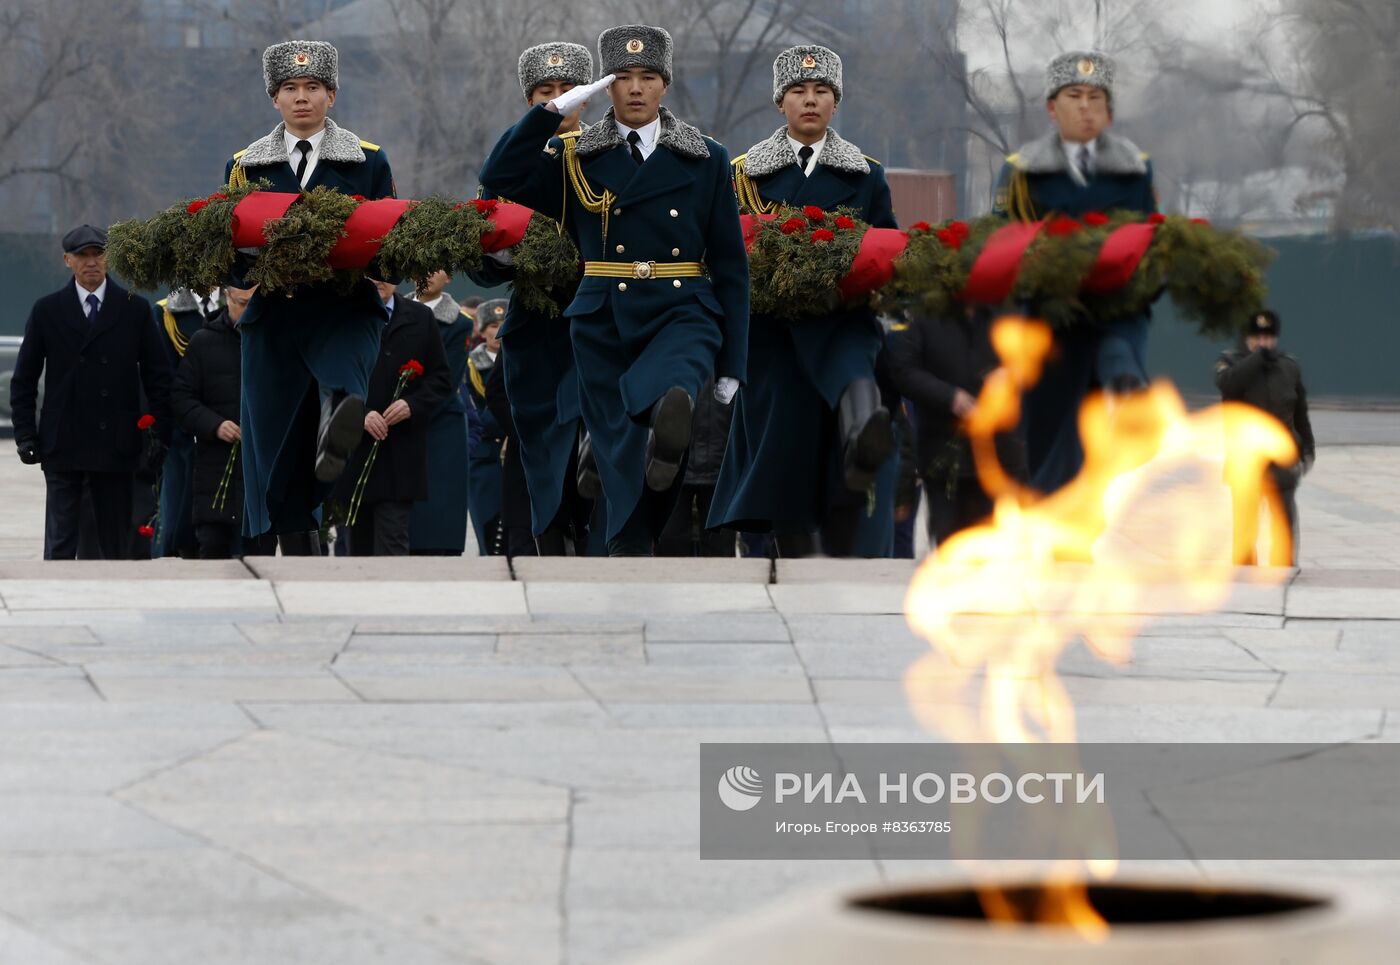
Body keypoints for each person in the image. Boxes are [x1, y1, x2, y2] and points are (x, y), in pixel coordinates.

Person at [479, 24, 749, 556]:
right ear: (607, 87)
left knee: (674, 392)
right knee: (621, 449)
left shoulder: (707, 157)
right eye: (622, 78)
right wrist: (548, 116)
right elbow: (501, 178)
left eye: (648, 77)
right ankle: (631, 542)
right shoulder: (575, 155)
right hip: (603, 315)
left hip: (682, 306)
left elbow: (730, 264)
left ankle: (669, 412)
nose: (635, 89)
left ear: (664, 85)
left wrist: (733, 363)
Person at [710, 45, 897, 558]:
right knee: (785, 447)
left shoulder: (866, 174)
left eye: (821, 92)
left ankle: (863, 433)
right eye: (798, 91)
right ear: (780, 103)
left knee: (854, 366)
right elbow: (726, 251)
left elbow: (886, 248)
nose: (810, 101)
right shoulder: (744, 173)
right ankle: (797, 552)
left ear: (835, 103)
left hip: (841, 314)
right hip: (775, 331)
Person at [224, 40, 396, 555]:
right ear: (274, 99)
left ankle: (338, 412)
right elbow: (231, 259)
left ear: (332, 95)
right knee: (274, 448)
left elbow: (387, 243)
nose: (302, 98)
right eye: (290, 89)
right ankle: (297, 553)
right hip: (276, 314)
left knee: (343, 381)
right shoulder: (245, 167)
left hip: (341, 307)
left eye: (313, 88)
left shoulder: (368, 161)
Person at [993, 51, 1157, 492]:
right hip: (1048, 319)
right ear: (1052, 108)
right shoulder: (1022, 173)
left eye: (1096, 97)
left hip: (1111, 308)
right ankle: (1057, 527)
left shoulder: (1134, 169)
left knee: (1120, 338)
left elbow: (1149, 242)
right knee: (1053, 442)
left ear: (1109, 110)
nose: (1086, 106)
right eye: (1074, 96)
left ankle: (1126, 386)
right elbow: (1001, 249)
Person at [475, 41, 596, 556]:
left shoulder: (609, 151)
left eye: (569, 92)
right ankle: (550, 535)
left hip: (596, 318)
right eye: (546, 94)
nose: (560, 101)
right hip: (537, 322)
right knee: (541, 445)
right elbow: (493, 187)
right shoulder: (520, 161)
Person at [10, 225, 172, 560]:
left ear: (109, 258)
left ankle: (115, 603)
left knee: (115, 544)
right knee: (60, 542)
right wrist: (26, 435)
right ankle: (56, 604)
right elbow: (24, 380)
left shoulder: (134, 310)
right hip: (62, 443)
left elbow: (159, 379)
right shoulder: (47, 310)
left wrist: (160, 436)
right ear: (67, 260)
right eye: (82, 255)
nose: (91, 262)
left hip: (117, 442)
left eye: (97, 253)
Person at [890, 305, 1028, 548]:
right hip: (942, 456)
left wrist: (1009, 377)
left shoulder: (1008, 310)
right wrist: (950, 397)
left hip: (998, 457)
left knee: (992, 548)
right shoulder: (927, 315)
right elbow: (904, 370)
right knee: (949, 546)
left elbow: (1035, 355)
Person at [333, 280, 451, 556]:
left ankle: (394, 598)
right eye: (371, 273)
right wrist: (358, 413)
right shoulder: (343, 317)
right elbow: (326, 381)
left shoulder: (420, 317)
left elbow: (441, 379)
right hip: (354, 453)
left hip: (400, 454)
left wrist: (413, 404)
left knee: (393, 543)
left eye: (386, 274)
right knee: (357, 547)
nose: (378, 281)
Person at [170, 285, 277, 559]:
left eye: (253, 303)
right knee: (213, 556)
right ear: (227, 297)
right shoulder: (204, 341)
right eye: (242, 303)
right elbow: (182, 399)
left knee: (260, 558)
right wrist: (215, 425)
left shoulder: (275, 339)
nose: (248, 310)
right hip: (215, 476)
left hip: (261, 476)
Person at [1216, 310, 1315, 566]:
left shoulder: (1288, 367)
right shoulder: (1231, 363)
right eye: (1258, 337)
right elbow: (1227, 385)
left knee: (1283, 521)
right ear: (1247, 338)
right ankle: (1246, 575)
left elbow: (1300, 411)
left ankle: (1283, 569)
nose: (1263, 342)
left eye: (1268, 338)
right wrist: (1257, 358)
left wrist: (1307, 448)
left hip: (1281, 459)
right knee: (1246, 524)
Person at [151, 287, 222, 559]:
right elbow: (162, 375)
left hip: (228, 424)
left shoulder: (238, 300)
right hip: (183, 431)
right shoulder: (165, 311)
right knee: (177, 512)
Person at [406, 271, 472, 555]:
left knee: (438, 513)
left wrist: (409, 407)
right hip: (395, 420)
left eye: (438, 268)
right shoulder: (392, 313)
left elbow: (447, 380)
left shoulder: (458, 323)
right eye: (422, 267)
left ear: (450, 277)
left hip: (439, 422)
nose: (428, 274)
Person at [657, 377, 736, 557]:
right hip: (674, 464)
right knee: (670, 546)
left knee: (720, 556)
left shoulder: (733, 353)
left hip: (722, 468)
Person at [465, 299, 507, 555]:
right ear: (481, 330)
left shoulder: (523, 360)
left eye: (504, 324)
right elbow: (475, 418)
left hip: (517, 458)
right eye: (492, 325)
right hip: (484, 460)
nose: (498, 331)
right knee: (488, 537)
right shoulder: (470, 366)